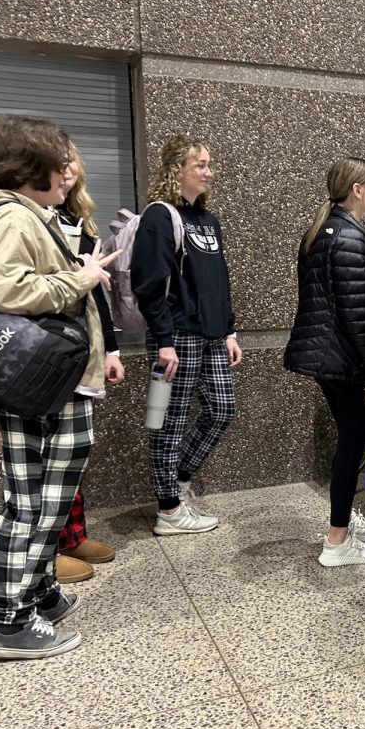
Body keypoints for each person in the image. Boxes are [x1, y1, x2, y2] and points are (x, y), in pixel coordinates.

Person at [0, 115, 119, 660]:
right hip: (42, 387)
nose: (69, 171)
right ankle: (10, 621)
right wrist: (79, 279)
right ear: (32, 168)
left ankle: (36, 592)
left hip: (48, 384)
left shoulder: (30, 214)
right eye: (60, 162)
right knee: (34, 505)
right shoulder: (12, 217)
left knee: (40, 500)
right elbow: (5, 287)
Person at [284, 157, 365, 567]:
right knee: (350, 443)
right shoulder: (348, 239)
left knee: (348, 441)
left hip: (325, 358)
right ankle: (337, 540)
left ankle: (344, 519)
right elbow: (359, 316)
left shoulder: (322, 231)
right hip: (344, 361)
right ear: (357, 190)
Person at [132, 135, 242, 535]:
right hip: (175, 340)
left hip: (212, 337)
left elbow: (219, 280)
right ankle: (168, 510)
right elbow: (149, 284)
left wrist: (229, 329)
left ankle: (177, 482)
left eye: (209, 164)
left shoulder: (207, 220)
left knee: (223, 409)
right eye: (200, 164)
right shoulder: (159, 217)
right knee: (166, 420)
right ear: (176, 169)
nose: (208, 172)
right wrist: (164, 340)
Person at [52, 142, 126, 583]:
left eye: (71, 160)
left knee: (74, 451)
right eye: (58, 163)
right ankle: (45, 550)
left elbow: (96, 292)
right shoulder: (21, 221)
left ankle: (72, 534)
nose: (68, 170)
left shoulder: (76, 220)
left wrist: (111, 350)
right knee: (49, 460)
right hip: (43, 359)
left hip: (80, 352)